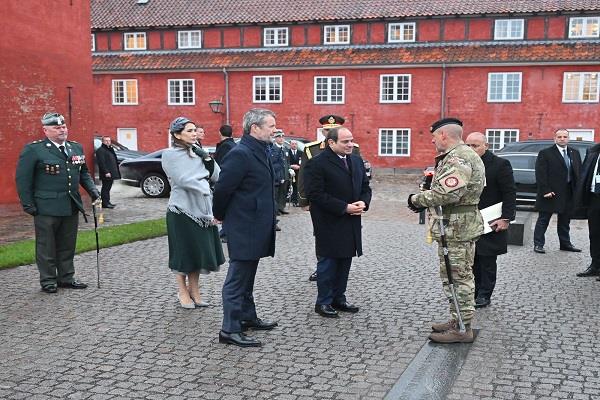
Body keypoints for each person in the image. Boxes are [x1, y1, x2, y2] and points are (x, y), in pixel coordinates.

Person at [407, 117, 485, 343]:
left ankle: (463, 328)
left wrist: (417, 200)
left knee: (458, 277)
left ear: (443, 135)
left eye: (433, 138)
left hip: (457, 226)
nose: (433, 142)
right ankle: (458, 318)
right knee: (454, 275)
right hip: (457, 224)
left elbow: (448, 193)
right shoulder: (463, 155)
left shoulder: (459, 157)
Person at [213, 108, 279, 347]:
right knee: (237, 278)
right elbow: (223, 189)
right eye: (271, 126)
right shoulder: (240, 153)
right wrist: (219, 215)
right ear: (255, 128)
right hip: (244, 225)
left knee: (248, 275)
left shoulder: (259, 150)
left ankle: (247, 317)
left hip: (256, 225)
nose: (275, 130)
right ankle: (229, 329)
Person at [15, 112, 100, 293]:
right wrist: (28, 204)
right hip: (46, 207)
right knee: (46, 246)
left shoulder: (75, 148)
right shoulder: (34, 150)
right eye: (57, 127)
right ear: (45, 130)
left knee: (67, 244)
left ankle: (66, 277)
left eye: (64, 127)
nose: (62, 130)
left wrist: (93, 191)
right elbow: (23, 179)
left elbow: (83, 172)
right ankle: (48, 280)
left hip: (70, 205)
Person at [304, 126, 372, 318]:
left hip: (351, 221)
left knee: (345, 260)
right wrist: (344, 207)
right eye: (345, 141)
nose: (350, 144)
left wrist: (363, 203)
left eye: (351, 140)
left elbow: (365, 187)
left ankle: (338, 298)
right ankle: (323, 302)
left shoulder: (356, 161)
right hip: (329, 221)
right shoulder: (317, 163)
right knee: (328, 262)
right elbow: (315, 194)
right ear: (331, 142)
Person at [161, 117, 224, 309]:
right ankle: (182, 291)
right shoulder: (170, 154)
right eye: (189, 131)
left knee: (198, 252)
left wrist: (207, 160)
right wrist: (204, 183)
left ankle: (195, 291)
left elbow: (217, 175)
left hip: (203, 209)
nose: (194, 133)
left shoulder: (199, 152)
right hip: (182, 210)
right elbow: (182, 179)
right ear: (177, 134)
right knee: (184, 252)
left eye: (195, 130)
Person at [298, 115, 361, 282]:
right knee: (323, 237)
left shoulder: (352, 149)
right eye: (326, 130)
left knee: (344, 240)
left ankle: (336, 278)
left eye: (332, 130)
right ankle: (322, 268)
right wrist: (304, 200)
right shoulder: (312, 149)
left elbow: (357, 176)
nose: (328, 133)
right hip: (322, 204)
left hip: (345, 203)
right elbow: (303, 177)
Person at [465, 132, 516, 308]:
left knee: (487, 259)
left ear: (486, 146)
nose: (471, 149)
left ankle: (485, 295)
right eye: (468, 145)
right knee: (471, 259)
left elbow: (509, 193)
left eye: (476, 145)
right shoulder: (464, 164)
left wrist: (506, 218)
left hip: (491, 219)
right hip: (469, 220)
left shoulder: (500, 165)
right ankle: (474, 292)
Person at [533, 129, 582, 254]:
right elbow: (541, 173)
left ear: (568, 138)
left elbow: (578, 173)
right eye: (559, 136)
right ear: (554, 138)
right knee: (543, 219)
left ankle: (565, 244)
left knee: (565, 221)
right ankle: (538, 244)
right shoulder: (546, 153)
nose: (562, 139)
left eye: (565, 136)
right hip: (550, 193)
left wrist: (578, 191)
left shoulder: (574, 153)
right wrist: (545, 190)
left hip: (568, 192)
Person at [574, 141, 600, 278]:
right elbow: (585, 174)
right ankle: (595, 266)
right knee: (594, 234)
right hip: (594, 198)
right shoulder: (593, 151)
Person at [213, 124, 236, 243]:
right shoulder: (233, 145)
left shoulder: (225, 147)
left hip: (225, 180)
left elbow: (221, 165)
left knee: (226, 205)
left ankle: (226, 232)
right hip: (231, 180)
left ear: (220, 133)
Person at [95, 136, 121, 209]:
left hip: (111, 172)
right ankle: (105, 203)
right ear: (103, 142)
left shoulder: (109, 149)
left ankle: (107, 202)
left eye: (109, 141)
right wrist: (106, 172)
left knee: (108, 187)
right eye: (106, 141)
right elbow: (101, 163)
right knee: (105, 188)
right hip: (106, 173)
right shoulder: (100, 150)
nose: (108, 142)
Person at [271, 129, 290, 215]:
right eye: (279, 137)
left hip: (285, 174)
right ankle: (276, 209)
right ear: (275, 138)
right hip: (278, 175)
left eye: (282, 137)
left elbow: (287, 161)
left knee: (283, 192)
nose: (281, 139)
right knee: (276, 193)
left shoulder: (285, 148)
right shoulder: (273, 149)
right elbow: (273, 163)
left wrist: (289, 169)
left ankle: (281, 207)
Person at [288, 140, 302, 206]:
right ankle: (291, 200)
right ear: (290, 145)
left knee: (297, 186)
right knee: (290, 186)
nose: (294, 145)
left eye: (295, 144)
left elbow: (303, 162)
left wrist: (299, 167)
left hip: (298, 172)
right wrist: (291, 166)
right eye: (292, 144)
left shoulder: (301, 153)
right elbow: (286, 162)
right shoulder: (287, 152)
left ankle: (296, 201)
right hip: (290, 171)